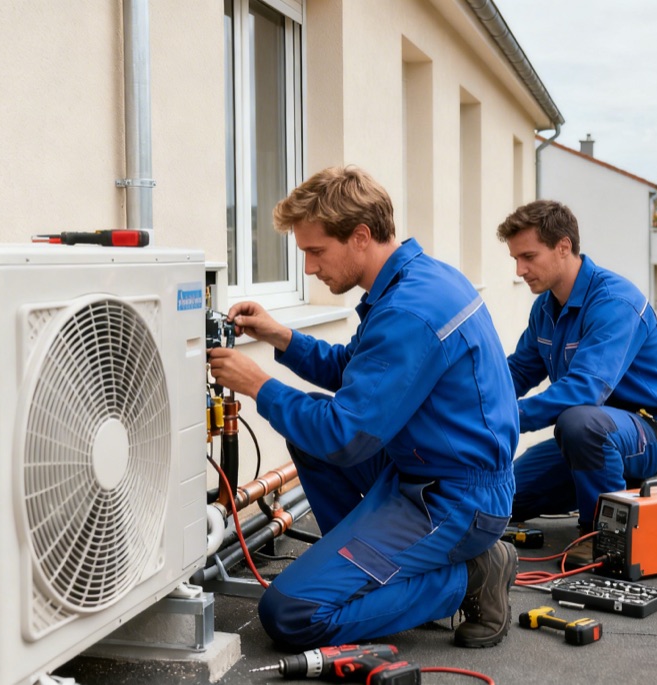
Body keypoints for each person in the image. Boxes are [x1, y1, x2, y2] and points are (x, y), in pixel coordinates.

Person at [208, 166, 519, 651]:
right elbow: (354, 369)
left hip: (456, 499)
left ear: (359, 236)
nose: (309, 268)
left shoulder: (407, 312)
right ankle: (364, 570)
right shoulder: (416, 280)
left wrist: (259, 386)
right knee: (306, 432)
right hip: (423, 468)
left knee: (291, 614)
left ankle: (470, 577)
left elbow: (346, 437)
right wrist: (279, 336)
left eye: (315, 252)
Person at [497, 199, 657, 558]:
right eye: (515, 260)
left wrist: (506, 419)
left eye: (529, 257)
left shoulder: (615, 302)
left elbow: (585, 389)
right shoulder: (546, 308)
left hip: (649, 433)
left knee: (579, 420)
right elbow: (518, 372)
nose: (520, 269)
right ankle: (614, 484)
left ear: (563, 247)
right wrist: (470, 402)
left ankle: (599, 538)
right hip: (586, 438)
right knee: (506, 497)